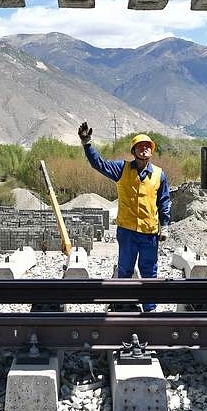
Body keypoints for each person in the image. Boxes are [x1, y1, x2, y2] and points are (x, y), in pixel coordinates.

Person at [78, 123, 170, 312]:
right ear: (134, 151)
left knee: (149, 272)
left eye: (147, 146)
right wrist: (87, 144)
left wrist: (165, 225)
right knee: (125, 270)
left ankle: (150, 309)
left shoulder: (159, 175)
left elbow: (164, 201)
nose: (144, 149)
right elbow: (99, 164)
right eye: (140, 146)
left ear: (151, 151)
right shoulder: (122, 169)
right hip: (127, 231)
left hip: (149, 233)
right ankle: (123, 304)